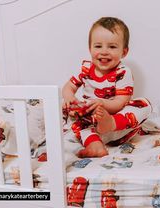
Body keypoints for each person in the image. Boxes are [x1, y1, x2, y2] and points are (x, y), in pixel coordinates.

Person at [62, 17, 152, 158]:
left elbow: (120, 102)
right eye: (98, 46)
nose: (104, 51)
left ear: (124, 52)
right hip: (93, 125)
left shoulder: (122, 72)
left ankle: (109, 124)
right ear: (90, 48)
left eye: (112, 47)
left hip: (118, 124)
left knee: (144, 104)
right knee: (68, 114)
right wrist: (70, 99)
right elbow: (68, 87)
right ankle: (95, 145)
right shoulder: (86, 69)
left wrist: (103, 105)